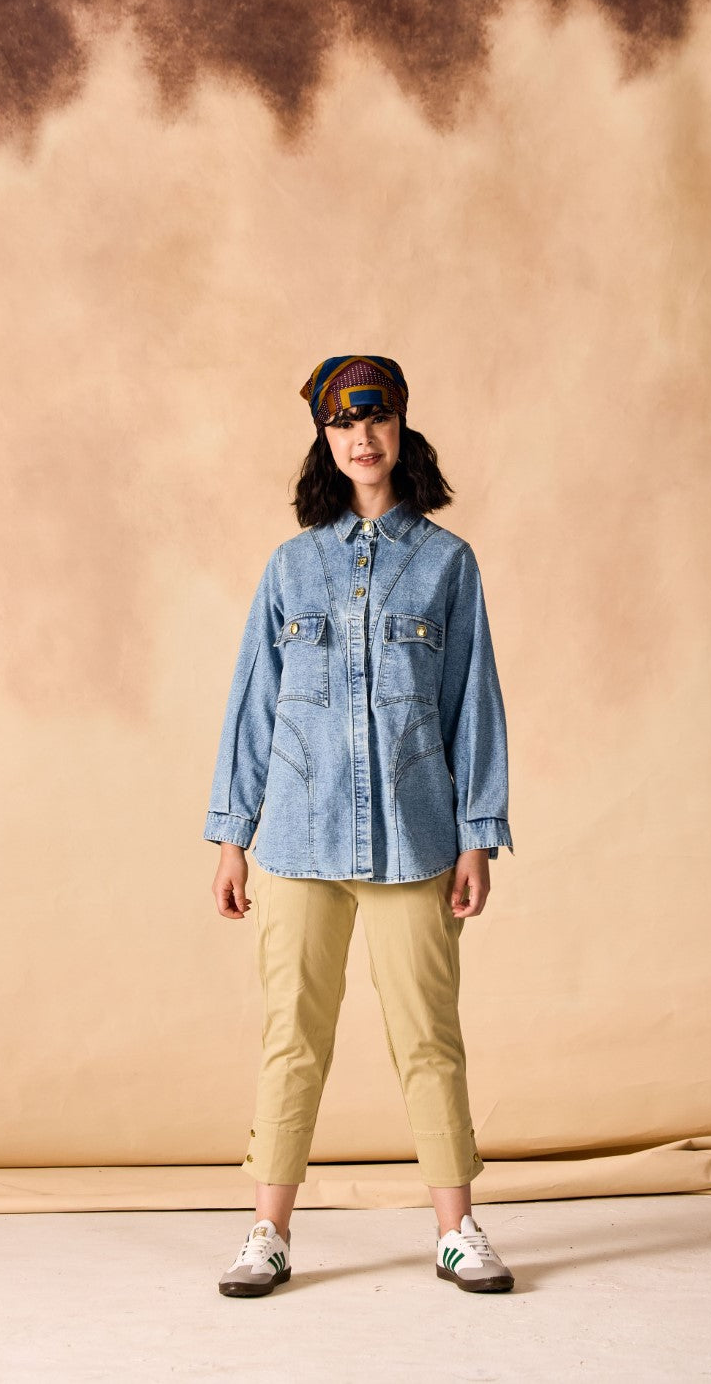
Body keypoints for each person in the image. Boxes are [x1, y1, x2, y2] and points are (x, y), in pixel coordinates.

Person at [206, 354, 515, 1297]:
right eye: (343, 423)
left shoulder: (448, 563)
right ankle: (267, 1232)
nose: (362, 438)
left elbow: (473, 705)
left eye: (376, 420)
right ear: (325, 439)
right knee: (292, 1037)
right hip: (295, 843)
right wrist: (231, 834)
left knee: (429, 1037)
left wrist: (478, 832)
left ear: (401, 427)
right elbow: (253, 706)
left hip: (416, 842)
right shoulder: (291, 567)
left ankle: (458, 1231)